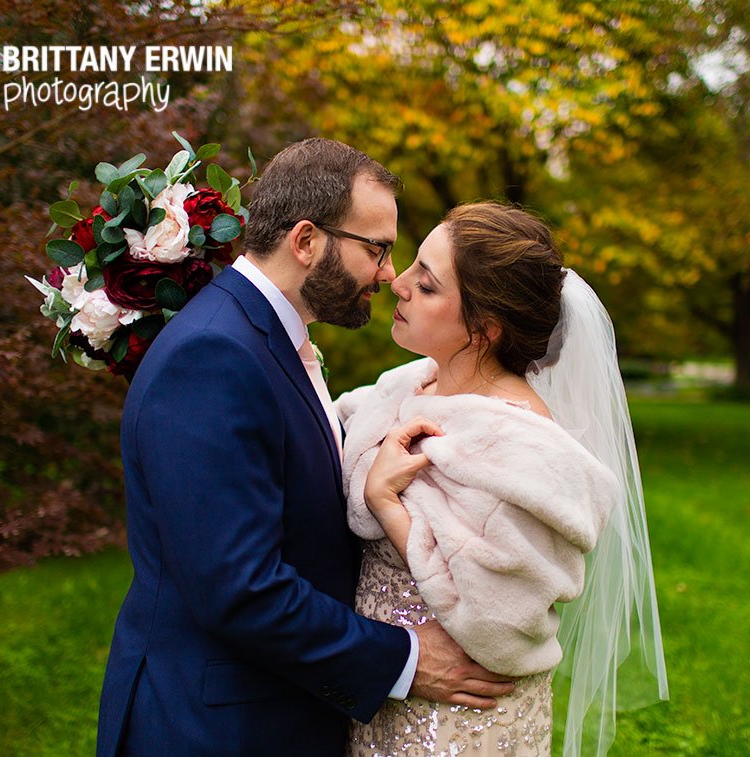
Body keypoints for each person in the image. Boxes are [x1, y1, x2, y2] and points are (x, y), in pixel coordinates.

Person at [96, 141, 513, 756]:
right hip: (213, 727)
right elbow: (239, 587)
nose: (389, 275)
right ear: (307, 241)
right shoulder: (213, 356)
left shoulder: (270, 339)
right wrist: (403, 658)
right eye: (377, 248)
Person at [337, 203, 669, 756]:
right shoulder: (409, 385)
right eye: (413, 266)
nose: (399, 284)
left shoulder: (524, 449)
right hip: (383, 699)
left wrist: (385, 502)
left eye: (429, 283)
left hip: (458, 722)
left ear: (483, 330)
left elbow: (501, 623)